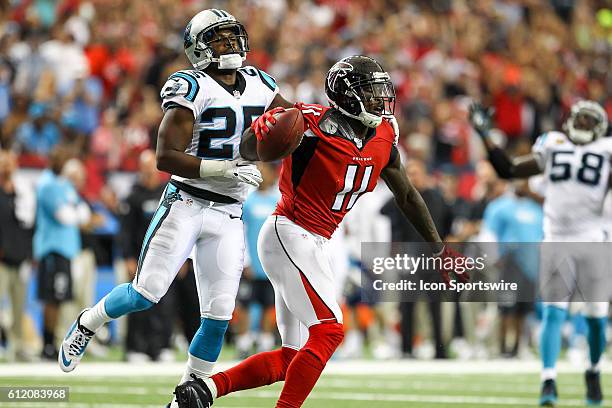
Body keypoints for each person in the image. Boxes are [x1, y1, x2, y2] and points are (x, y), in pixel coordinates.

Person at [173, 55, 468, 408]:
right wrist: (259, 134)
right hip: (290, 231)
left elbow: (406, 193)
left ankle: (203, 391)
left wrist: (438, 249)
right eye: (370, 93)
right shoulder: (307, 123)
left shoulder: (385, 134)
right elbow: (251, 150)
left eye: (381, 92)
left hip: (315, 241)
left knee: (291, 358)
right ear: (346, 97)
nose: (380, 101)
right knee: (329, 331)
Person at [58, 8, 294, 405]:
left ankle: (188, 394)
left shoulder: (260, 82)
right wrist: (225, 168)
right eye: (219, 39)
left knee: (219, 317)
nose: (230, 45)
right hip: (186, 202)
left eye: (233, 36)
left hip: (229, 214)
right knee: (145, 293)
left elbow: (291, 122)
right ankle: (88, 321)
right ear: (198, 48)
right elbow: (165, 156)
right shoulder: (191, 85)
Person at [469, 100, 609, 406]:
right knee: (553, 311)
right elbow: (509, 169)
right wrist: (484, 135)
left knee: (597, 318)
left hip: (594, 240)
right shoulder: (553, 146)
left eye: (589, 122)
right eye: (580, 120)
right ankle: (548, 380)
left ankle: (594, 371)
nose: (583, 127)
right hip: (557, 240)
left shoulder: (607, 150)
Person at [35, 148, 91, 360]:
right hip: (52, 249)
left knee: (60, 299)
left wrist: (77, 213)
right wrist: (76, 213)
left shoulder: (63, 184)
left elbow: (83, 212)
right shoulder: (47, 185)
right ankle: (47, 344)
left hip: (66, 250)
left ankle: (51, 342)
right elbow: (66, 216)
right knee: (52, 298)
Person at [0, 150, 34, 361]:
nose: (7, 167)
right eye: (3, 163)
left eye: (9, 163)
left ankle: (18, 345)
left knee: (19, 305)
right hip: (1, 259)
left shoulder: (22, 192)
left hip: (20, 257)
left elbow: (29, 225)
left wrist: (29, 254)